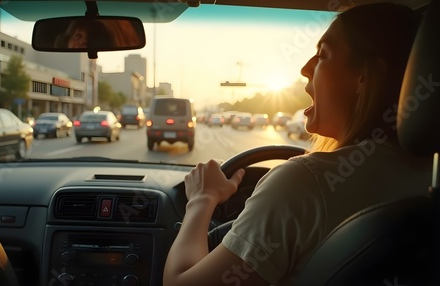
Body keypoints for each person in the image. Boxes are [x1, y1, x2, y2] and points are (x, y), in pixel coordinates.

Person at [163, 3, 430, 286]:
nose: (305, 69)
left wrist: (202, 201)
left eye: (323, 55)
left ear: (364, 77)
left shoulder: (306, 184)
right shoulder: (428, 181)